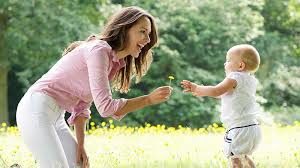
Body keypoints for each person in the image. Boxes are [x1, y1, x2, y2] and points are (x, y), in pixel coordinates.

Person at [16, 6, 173, 168]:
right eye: (143, 32)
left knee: (78, 165)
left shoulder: (113, 63)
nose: (148, 40)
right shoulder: (99, 51)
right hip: (36, 108)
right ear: (125, 28)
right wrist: (148, 99)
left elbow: (82, 106)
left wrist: (80, 146)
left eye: (148, 35)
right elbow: (105, 108)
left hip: (56, 117)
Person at [181, 44, 262, 168]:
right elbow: (222, 94)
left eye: (228, 60)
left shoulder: (234, 77)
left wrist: (197, 88)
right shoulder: (251, 80)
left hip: (239, 129)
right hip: (252, 128)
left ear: (240, 65)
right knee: (244, 157)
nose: (225, 63)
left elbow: (216, 91)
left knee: (235, 161)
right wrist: (200, 92)